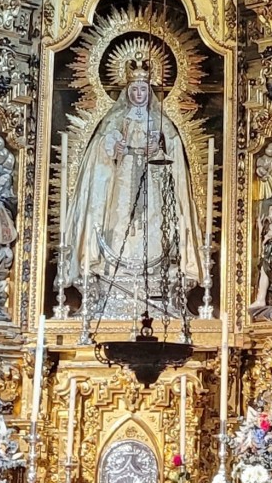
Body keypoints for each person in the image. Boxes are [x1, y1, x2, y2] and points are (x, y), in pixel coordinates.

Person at [64, 59, 204, 317]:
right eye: (134, 89)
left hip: (153, 177)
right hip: (123, 181)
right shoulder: (115, 119)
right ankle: (116, 267)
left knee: (152, 220)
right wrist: (111, 148)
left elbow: (173, 148)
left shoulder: (161, 120)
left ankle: (153, 268)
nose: (139, 94)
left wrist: (160, 146)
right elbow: (98, 153)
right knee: (121, 221)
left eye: (143, 89)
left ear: (149, 91)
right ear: (127, 91)